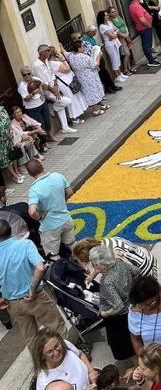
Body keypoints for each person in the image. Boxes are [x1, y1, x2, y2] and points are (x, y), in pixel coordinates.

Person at [0, 220, 65, 354]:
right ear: (10, 231)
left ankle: (40, 368)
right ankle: (68, 356)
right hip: (35, 298)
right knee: (56, 328)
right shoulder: (25, 245)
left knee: (31, 338)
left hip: (13, 303)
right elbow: (40, 268)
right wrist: (32, 289)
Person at [89, 245, 135, 361]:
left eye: (93, 263)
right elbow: (136, 271)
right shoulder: (119, 263)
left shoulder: (107, 282)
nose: (92, 266)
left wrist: (105, 314)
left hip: (120, 317)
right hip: (131, 303)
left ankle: (136, 366)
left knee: (129, 345)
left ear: (98, 264)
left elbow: (118, 306)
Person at [27, 159, 75, 259]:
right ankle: (85, 268)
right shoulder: (58, 176)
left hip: (50, 227)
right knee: (72, 245)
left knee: (53, 255)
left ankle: (62, 273)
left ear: (30, 174)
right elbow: (70, 192)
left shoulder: (34, 189)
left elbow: (31, 211)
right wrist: (62, 202)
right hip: (66, 219)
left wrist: (38, 217)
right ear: (42, 166)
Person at [33, 326, 97, 390]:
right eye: (50, 352)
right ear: (42, 356)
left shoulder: (65, 344)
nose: (56, 352)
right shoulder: (44, 383)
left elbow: (80, 354)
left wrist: (91, 371)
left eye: (56, 346)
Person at [32, 44, 76, 134]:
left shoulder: (47, 61)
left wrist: (56, 86)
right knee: (66, 101)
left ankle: (65, 127)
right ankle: (53, 107)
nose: (49, 52)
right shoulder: (37, 65)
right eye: (47, 51)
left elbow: (52, 76)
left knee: (61, 103)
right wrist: (55, 91)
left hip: (53, 88)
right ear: (42, 53)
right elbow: (44, 83)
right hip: (46, 91)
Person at [73, 235, 158, 279]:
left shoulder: (108, 258)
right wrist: (93, 275)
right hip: (146, 256)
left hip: (144, 270)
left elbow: (132, 272)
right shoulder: (103, 243)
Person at [65, 38, 109, 116]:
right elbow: (95, 65)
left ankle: (100, 105)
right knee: (92, 92)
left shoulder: (71, 56)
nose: (84, 48)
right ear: (78, 48)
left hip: (81, 77)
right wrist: (98, 55)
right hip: (89, 77)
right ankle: (95, 110)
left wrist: (61, 46)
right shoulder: (84, 57)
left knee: (91, 91)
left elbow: (65, 53)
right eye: (83, 47)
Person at [81, 26, 121, 95]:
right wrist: (98, 46)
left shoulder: (91, 37)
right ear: (89, 32)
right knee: (103, 73)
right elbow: (90, 49)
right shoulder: (85, 40)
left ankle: (111, 86)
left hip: (99, 56)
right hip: (95, 59)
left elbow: (94, 46)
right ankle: (110, 87)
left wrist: (98, 46)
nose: (94, 34)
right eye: (94, 33)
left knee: (104, 72)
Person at [17, 64, 53, 141]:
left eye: (28, 74)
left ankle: (50, 136)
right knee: (40, 124)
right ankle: (44, 142)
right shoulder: (22, 86)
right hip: (32, 108)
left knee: (47, 121)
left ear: (31, 73)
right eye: (24, 75)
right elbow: (26, 99)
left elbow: (45, 87)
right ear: (22, 76)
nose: (27, 76)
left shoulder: (36, 79)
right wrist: (32, 93)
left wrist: (44, 85)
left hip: (42, 102)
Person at [130, 0, 161, 68]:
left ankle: (150, 57)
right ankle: (151, 61)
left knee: (147, 44)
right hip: (144, 28)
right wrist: (149, 25)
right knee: (147, 45)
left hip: (143, 28)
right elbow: (142, 19)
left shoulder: (133, 5)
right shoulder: (136, 6)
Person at [97, 11, 128, 85]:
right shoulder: (102, 26)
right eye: (106, 16)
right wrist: (114, 34)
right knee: (114, 59)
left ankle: (120, 74)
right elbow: (112, 35)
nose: (107, 16)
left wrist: (114, 34)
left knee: (118, 58)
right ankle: (117, 77)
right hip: (109, 45)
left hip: (114, 42)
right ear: (102, 17)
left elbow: (117, 29)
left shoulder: (110, 23)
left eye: (107, 15)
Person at [0, 104, 24, 185]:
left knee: (13, 155)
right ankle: (14, 176)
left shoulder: (2, 109)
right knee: (6, 159)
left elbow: (9, 121)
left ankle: (17, 172)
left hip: (9, 137)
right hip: (1, 141)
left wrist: (10, 131)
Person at [109, 5, 135, 76]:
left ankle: (129, 68)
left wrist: (127, 32)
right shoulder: (111, 21)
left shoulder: (118, 17)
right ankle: (125, 70)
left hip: (126, 35)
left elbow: (124, 25)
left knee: (129, 51)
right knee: (126, 53)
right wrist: (123, 35)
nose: (114, 13)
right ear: (109, 14)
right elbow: (115, 29)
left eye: (115, 11)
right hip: (120, 38)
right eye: (112, 12)